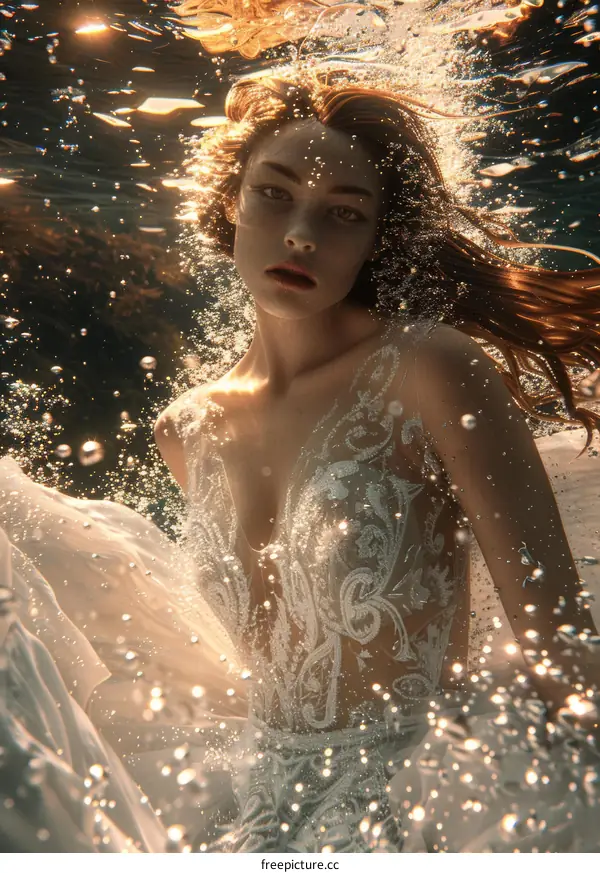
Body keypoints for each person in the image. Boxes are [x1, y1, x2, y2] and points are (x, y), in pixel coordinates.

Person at [1, 68, 600, 853]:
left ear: (377, 237)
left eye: (343, 212)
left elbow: (559, 642)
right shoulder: (186, 427)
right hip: (253, 816)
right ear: (230, 201)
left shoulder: (431, 369)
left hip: (427, 807)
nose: (301, 235)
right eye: (274, 194)